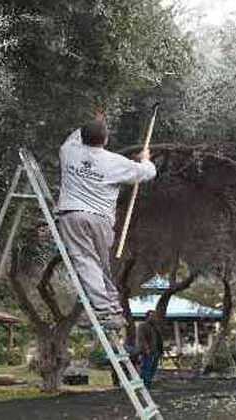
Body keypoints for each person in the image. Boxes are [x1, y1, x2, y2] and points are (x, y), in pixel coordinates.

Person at [58, 116, 157, 330]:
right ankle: (112, 311)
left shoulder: (68, 151)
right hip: (101, 221)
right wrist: (146, 158)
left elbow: (74, 135)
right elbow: (149, 172)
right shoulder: (114, 162)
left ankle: (103, 309)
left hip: (73, 216)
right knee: (100, 266)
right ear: (106, 139)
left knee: (87, 262)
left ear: (82, 136)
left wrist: (94, 119)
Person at [137, 310, 164, 387]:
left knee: (153, 367)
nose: (153, 318)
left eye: (154, 316)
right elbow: (141, 338)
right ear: (147, 317)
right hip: (147, 351)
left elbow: (159, 339)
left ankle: (149, 381)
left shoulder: (155, 327)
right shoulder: (143, 326)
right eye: (151, 316)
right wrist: (146, 349)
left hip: (156, 351)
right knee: (146, 367)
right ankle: (144, 382)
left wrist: (161, 350)